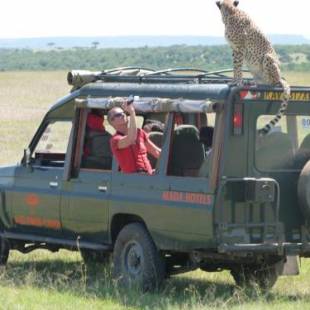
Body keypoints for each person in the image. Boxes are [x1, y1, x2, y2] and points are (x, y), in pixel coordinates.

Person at [108, 101, 161, 175]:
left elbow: (156, 152)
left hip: (148, 177)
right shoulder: (115, 140)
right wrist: (132, 113)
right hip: (132, 180)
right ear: (112, 122)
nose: (123, 115)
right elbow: (131, 138)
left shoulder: (140, 132)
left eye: (124, 113)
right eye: (118, 115)